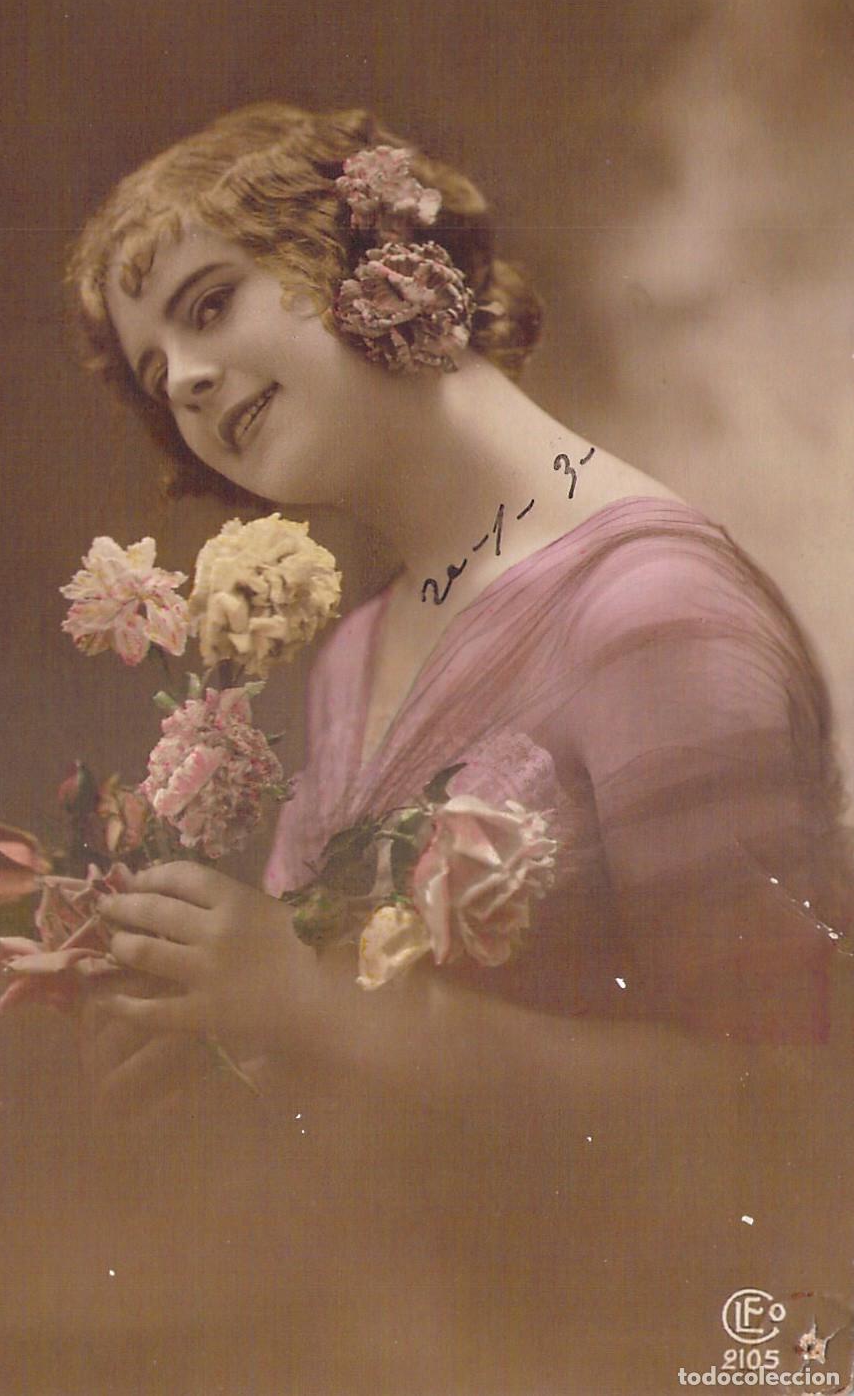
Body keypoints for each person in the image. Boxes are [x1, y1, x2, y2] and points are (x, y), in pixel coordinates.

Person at [65, 104, 854, 1391]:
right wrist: (216, 1038)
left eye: (208, 308)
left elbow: (776, 1137)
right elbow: (367, 1129)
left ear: (376, 264)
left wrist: (312, 1006)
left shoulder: (650, 616)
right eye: (160, 376)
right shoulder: (350, 660)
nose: (189, 383)